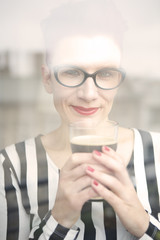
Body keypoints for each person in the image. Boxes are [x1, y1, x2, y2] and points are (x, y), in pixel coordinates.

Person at [0, 0, 160, 239]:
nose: (88, 94)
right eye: (72, 72)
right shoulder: (10, 167)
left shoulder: (158, 153)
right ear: (47, 79)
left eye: (105, 74)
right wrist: (60, 218)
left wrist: (142, 223)